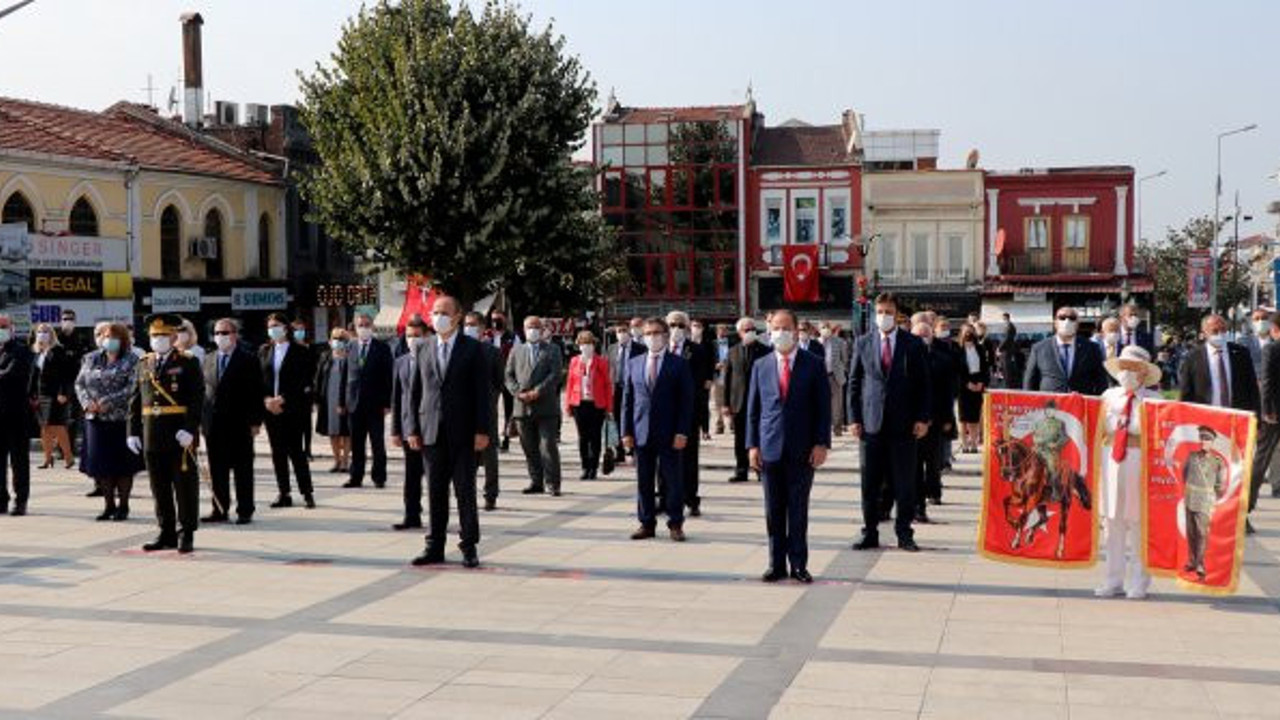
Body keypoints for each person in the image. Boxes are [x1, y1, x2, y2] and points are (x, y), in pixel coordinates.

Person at [747, 309, 831, 583]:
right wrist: (752, 446)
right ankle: (776, 564)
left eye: (785, 328)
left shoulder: (813, 363)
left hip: (802, 449)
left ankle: (798, 564)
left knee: (797, 510)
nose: (780, 333)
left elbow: (823, 409)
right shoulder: (761, 365)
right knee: (773, 510)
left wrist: (821, 444)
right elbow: (754, 410)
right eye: (775, 328)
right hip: (769, 448)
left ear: (796, 331)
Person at [407, 296, 491, 569]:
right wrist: (412, 428)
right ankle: (434, 546)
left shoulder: (473, 349)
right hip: (431, 432)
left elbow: (483, 394)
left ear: (456, 317)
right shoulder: (424, 347)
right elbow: (415, 391)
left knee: (465, 491)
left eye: (443, 312)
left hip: (464, 433)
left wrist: (482, 429)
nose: (437, 317)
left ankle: (469, 546)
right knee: (434, 492)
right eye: (434, 312)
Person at [849, 293, 930, 552]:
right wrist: (853, 419)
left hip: (904, 425)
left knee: (904, 483)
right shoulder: (862, 343)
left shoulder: (913, 344)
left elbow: (924, 386)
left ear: (897, 315)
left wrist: (922, 418)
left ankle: (904, 533)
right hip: (871, 425)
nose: (883, 316)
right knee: (869, 484)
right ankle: (869, 531)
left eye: (888, 312)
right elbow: (853, 384)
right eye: (880, 311)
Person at [127, 314, 204, 553]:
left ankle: (186, 531)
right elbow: (134, 401)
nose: (158, 339)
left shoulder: (188, 361)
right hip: (151, 433)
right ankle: (166, 531)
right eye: (154, 335)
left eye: (162, 335)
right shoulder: (143, 363)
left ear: (173, 337)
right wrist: (132, 432)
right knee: (158, 487)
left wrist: (190, 428)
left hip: (179, 433)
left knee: (184, 486)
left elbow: (197, 398)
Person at [1095, 346, 1160, 599]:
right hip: (1111, 459)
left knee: (1138, 522)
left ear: (1144, 372)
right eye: (1124, 368)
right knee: (1112, 522)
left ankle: (1139, 582)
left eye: (1133, 368)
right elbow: (1100, 424)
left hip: (1140, 460)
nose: (1127, 373)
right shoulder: (1108, 395)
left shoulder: (1154, 400)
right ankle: (1113, 579)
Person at [622, 317, 694, 542]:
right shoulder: (634, 362)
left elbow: (686, 401)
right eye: (648, 333)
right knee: (644, 480)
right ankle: (646, 523)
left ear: (665, 335)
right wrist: (626, 432)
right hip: (641, 431)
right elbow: (627, 400)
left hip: (670, 432)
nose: (652, 337)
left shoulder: (678, 363)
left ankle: (675, 523)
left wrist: (682, 432)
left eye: (656, 333)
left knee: (673, 480)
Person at [75, 322, 143, 521]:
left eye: (113, 337)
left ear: (122, 340)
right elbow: (79, 383)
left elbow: (133, 387)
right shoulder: (91, 358)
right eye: (105, 336)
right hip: (95, 420)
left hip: (121, 420)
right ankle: (108, 505)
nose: (109, 340)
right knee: (101, 466)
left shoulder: (133, 360)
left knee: (123, 466)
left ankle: (123, 505)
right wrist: (88, 403)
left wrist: (108, 402)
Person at [202, 318, 265, 524]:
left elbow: (256, 392)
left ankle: (245, 510)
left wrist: (256, 421)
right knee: (217, 469)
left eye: (225, 333)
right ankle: (219, 509)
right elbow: (204, 392)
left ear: (235, 335)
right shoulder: (208, 359)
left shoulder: (248, 359)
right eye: (217, 333)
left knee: (242, 469)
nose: (221, 337)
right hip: (214, 424)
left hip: (240, 422)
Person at [260, 313, 316, 508]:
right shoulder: (265, 351)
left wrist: (283, 398)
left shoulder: (300, 351)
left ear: (285, 327)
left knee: (296, 451)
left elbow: (304, 381)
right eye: (270, 326)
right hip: (270, 410)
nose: (272, 329)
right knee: (278, 452)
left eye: (276, 325)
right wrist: (267, 400)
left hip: (292, 408)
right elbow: (259, 380)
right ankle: (284, 492)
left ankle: (307, 491)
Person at [506, 316, 564, 496]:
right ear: (523, 330)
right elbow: (508, 375)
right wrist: (518, 392)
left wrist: (538, 391)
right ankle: (536, 481)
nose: (533, 330)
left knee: (548, 446)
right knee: (529, 447)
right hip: (522, 407)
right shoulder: (517, 350)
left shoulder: (552, 350)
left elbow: (555, 374)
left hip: (546, 406)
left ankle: (553, 483)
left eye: (536, 327)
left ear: (542, 329)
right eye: (529, 327)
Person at [667, 310, 710, 516]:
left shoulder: (697, 351)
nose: (676, 329)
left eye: (680, 325)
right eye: (672, 325)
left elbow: (700, 386)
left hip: (688, 413)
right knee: (664, 458)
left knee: (689, 458)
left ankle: (691, 498)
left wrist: (703, 419)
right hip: (664, 413)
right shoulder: (660, 349)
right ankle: (664, 497)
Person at [344, 312, 392, 489]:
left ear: (372, 327)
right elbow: (345, 375)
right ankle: (355, 477)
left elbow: (388, 377)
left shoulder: (382, 348)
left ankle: (379, 476)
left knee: (377, 443)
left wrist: (387, 403)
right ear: (355, 328)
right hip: (354, 404)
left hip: (375, 404)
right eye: (360, 325)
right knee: (356, 444)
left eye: (366, 325)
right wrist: (343, 402)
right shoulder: (351, 347)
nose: (363, 328)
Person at [1178, 314, 1260, 415]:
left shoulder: (1241, 353)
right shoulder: (1192, 357)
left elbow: (1252, 387)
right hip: (1205, 418)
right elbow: (1186, 392)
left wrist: (1257, 419)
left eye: (1223, 330)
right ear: (1204, 333)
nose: (1220, 334)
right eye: (1215, 331)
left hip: (1237, 417)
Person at [914, 316, 955, 516]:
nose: (922, 338)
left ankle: (934, 491)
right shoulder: (906, 356)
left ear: (931, 336)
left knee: (933, 461)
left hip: (935, 418)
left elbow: (948, 392)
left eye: (925, 335)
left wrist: (948, 418)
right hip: (912, 422)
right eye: (918, 335)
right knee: (913, 465)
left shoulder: (942, 359)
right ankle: (917, 504)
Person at [390, 318, 427, 530]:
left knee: (435, 476)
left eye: (417, 336)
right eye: (409, 336)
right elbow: (397, 398)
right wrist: (395, 429)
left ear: (426, 336)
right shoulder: (400, 362)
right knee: (411, 475)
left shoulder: (433, 359)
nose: (413, 340)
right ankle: (411, 514)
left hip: (430, 426)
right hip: (407, 427)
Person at [465, 312, 503, 510]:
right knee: (466, 457)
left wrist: (489, 401)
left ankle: (491, 495)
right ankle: (466, 493)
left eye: (472, 325)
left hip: (487, 411)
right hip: (463, 413)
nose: (469, 328)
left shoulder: (492, 352)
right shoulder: (459, 349)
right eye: (466, 324)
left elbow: (498, 382)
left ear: (481, 328)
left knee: (490, 456)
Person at [723, 317, 769, 482]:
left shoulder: (765, 350)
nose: (750, 333)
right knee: (740, 439)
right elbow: (727, 378)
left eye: (752, 330)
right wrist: (725, 403)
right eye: (746, 330)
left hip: (760, 401)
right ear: (739, 332)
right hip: (739, 402)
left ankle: (760, 470)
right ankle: (741, 470)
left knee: (760, 437)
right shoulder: (733, 351)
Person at [1023, 307, 1109, 395]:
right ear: (1055, 322)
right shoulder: (1039, 348)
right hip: (1050, 405)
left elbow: (1100, 381)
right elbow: (1029, 382)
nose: (1067, 321)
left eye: (1072, 318)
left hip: (1080, 404)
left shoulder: (1091, 348)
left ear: (1077, 324)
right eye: (1062, 318)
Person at [566, 330, 612, 480]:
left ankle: (593, 467)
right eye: (583, 343)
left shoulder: (601, 362)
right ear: (578, 345)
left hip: (597, 403)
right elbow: (570, 384)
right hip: (579, 403)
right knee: (583, 437)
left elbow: (607, 385)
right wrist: (568, 405)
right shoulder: (574, 361)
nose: (586, 346)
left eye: (589, 343)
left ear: (594, 345)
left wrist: (609, 407)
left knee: (595, 436)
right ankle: (585, 466)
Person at [28, 323, 75, 470]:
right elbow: (33, 375)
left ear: (52, 334)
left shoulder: (58, 350)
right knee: (44, 427)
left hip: (55, 395)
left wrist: (63, 392)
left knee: (57, 426)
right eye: (40, 331)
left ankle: (69, 457)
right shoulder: (38, 351)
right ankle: (47, 459)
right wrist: (30, 392)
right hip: (41, 394)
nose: (42, 333)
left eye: (46, 331)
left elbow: (66, 374)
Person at [1182, 426, 1226, 581]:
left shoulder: (1217, 462)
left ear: (1213, 442)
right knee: (1191, 532)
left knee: (1202, 532)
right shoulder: (1191, 457)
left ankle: (1200, 563)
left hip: (1205, 501)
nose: (1203, 441)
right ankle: (1192, 560)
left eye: (1207, 439)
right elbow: (1184, 475)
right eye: (1201, 438)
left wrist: (1216, 496)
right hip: (1190, 498)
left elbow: (1220, 485)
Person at [1253, 313, 1280, 515]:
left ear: (1274, 329)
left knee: (1261, 459)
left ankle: (1246, 507)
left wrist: (1266, 410)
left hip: (1274, 414)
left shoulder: (1271, 348)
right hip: (1274, 412)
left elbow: (1267, 382)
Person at [315, 329, 351, 473]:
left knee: (346, 432)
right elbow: (318, 377)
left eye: (342, 339)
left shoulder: (350, 357)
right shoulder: (325, 356)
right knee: (332, 431)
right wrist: (316, 398)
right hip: (328, 398)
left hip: (345, 399)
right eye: (335, 338)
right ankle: (336, 460)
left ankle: (345, 462)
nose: (338, 341)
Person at [610, 322, 645, 463]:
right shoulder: (611, 348)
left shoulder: (641, 349)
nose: (621, 333)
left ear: (629, 331)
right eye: (619, 331)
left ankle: (635, 448)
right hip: (616, 387)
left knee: (633, 417)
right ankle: (619, 450)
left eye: (624, 330)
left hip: (633, 388)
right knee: (617, 419)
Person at [487, 310, 519, 452]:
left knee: (509, 410)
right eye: (493, 319)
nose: (496, 322)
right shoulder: (487, 336)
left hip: (507, 377)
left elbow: (518, 357)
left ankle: (506, 439)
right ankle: (493, 439)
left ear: (505, 320)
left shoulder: (513, 337)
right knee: (490, 410)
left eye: (499, 319)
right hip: (490, 378)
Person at [956, 323, 989, 454]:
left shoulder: (980, 348)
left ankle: (974, 444)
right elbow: (956, 370)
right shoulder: (957, 349)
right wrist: (966, 383)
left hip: (977, 383)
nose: (968, 335)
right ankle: (964, 444)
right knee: (963, 418)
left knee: (975, 417)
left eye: (971, 332)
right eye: (966, 332)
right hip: (963, 386)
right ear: (962, 334)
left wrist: (982, 382)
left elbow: (985, 368)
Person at [290, 319, 318, 460]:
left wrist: (311, 387)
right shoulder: (289, 349)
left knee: (306, 423)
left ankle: (307, 449)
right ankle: (296, 449)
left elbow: (315, 370)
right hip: (292, 391)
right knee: (295, 423)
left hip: (307, 391)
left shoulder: (310, 348)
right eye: (296, 330)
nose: (299, 333)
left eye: (302, 330)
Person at [819, 321, 848, 437]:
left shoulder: (840, 342)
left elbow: (844, 358)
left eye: (827, 327)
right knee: (821, 403)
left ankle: (837, 428)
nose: (825, 329)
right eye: (823, 327)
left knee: (837, 404)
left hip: (835, 376)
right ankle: (823, 428)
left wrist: (840, 369)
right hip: (820, 377)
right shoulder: (815, 343)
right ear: (819, 330)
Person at [712, 324, 732, 435]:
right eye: (720, 329)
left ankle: (732, 422)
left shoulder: (733, 343)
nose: (722, 331)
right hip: (718, 375)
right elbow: (708, 359)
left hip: (731, 375)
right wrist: (715, 365)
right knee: (717, 401)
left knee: (732, 399)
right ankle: (719, 425)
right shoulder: (712, 344)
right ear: (716, 332)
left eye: (724, 329)